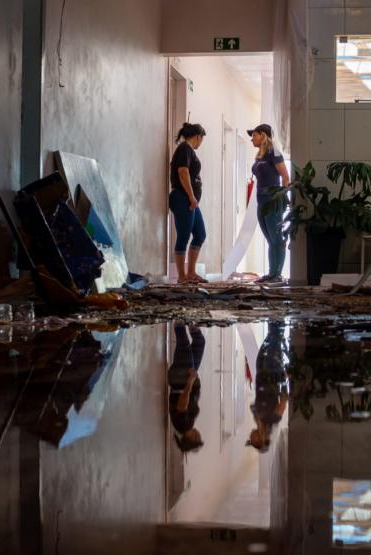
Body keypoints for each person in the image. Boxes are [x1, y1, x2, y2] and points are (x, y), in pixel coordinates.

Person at [248, 124, 291, 284]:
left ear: (263, 135)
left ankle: (277, 274)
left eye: (254, 135)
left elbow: (285, 177)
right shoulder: (261, 155)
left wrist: (282, 197)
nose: (252, 138)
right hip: (261, 200)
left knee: (276, 238)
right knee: (270, 238)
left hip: (273, 199)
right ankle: (272, 273)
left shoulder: (274, 152)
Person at [170, 123, 208, 284]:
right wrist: (192, 197)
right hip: (182, 197)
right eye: (202, 139)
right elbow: (182, 172)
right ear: (198, 136)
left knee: (200, 234)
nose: (201, 143)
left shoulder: (188, 150)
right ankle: (181, 276)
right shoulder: (185, 148)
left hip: (190, 200)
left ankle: (191, 272)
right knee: (184, 235)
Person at [247, 321, 289, 453]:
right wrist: (284, 377)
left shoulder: (257, 419)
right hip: (272, 374)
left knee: (270, 339)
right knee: (274, 340)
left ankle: (275, 317)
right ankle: (278, 316)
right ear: (260, 440)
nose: (250, 437)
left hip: (261, 373)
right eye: (252, 441)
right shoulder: (273, 420)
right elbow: (283, 400)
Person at [168, 323, 206, 453]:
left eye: (198, 438)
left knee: (183, 343)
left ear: (192, 439)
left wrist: (190, 382)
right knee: (199, 342)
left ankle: (179, 313)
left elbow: (182, 405)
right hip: (186, 378)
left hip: (182, 379)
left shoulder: (183, 426)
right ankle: (190, 321)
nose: (199, 435)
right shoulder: (185, 426)